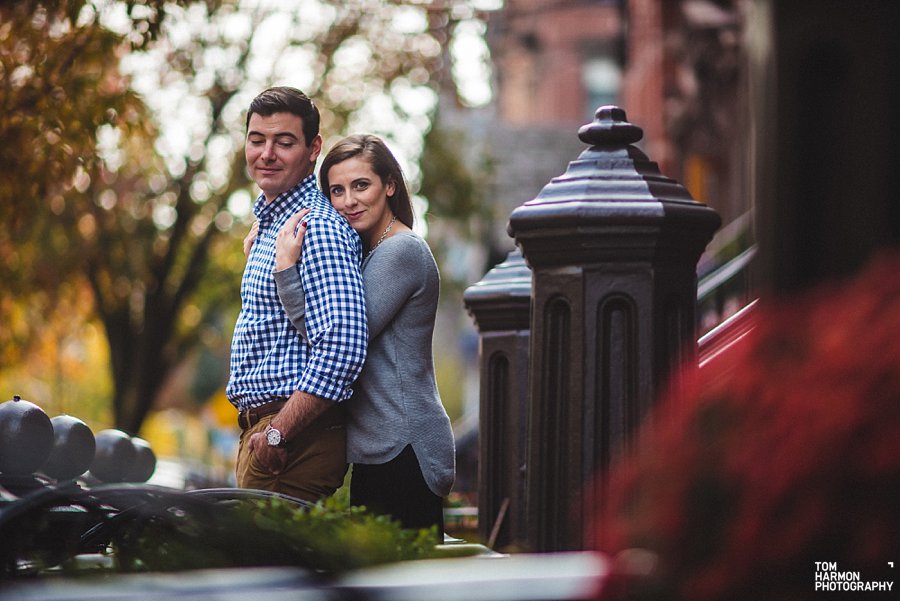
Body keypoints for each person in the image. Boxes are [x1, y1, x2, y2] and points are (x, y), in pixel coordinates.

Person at [271, 134, 455, 537]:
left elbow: (336, 336)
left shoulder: (401, 251)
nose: (348, 201)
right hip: (377, 448)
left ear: (389, 185)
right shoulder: (370, 252)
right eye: (336, 190)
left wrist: (285, 270)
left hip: (404, 447)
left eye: (361, 185)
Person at [227, 87, 368, 502]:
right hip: (269, 432)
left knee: (266, 566)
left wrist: (277, 432)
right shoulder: (272, 225)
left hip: (290, 440)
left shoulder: (316, 228)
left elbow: (343, 344)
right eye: (257, 140)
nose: (267, 153)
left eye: (284, 142)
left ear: (313, 149)